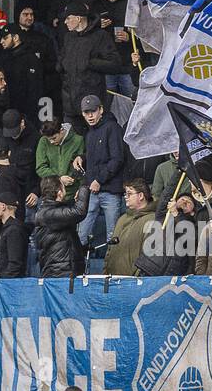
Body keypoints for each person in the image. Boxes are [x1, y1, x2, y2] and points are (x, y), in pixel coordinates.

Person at [57, 3, 126, 128]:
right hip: (70, 104)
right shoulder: (68, 37)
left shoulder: (100, 36)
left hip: (91, 103)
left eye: (68, 18)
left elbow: (115, 63)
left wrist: (90, 63)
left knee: (94, 140)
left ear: (78, 19)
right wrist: (61, 65)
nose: (65, 22)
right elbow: (61, 59)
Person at [76, 95, 126, 253]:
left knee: (113, 238)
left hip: (110, 191)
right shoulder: (89, 134)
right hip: (92, 190)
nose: (90, 115)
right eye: (86, 112)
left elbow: (117, 159)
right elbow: (94, 160)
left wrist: (99, 179)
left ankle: (113, 270)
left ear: (101, 110)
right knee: (80, 235)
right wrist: (81, 158)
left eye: (93, 111)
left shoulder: (112, 128)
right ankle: (78, 268)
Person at [35, 177, 91, 278]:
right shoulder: (47, 213)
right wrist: (84, 186)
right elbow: (79, 212)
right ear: (60, 193)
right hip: (58, 273)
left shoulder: (51, 211)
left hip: (64, 271)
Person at [0, 22, 48, 125]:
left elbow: (35, 89)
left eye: (5, 38)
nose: (1, 41)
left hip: (27, 113)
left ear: (15, 37)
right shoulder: (4, 57)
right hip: (8, 110)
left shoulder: (31, 58)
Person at [105, 179, 155, 276]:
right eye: (125, 194)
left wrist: (137, 276)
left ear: (141, 196)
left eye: (129, 194)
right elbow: (110, 250)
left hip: (134, 283)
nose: (126, 197)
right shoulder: (122, 219)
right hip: (112, 279)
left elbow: (149, 255)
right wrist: (106, 271)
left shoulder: (152, 220)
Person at [35, 119, 86, 197]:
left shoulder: (78, 140)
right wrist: (59, 179)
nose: (51, 142)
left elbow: (82, 169)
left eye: (54, 138)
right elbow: (40, 167)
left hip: (72, 193)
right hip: (51, 192)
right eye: (49, 139)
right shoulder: (43, 141)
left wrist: (80, 190)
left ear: (61, 131)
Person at [0, 196, 28, 279]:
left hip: (10, 286)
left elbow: (15, 264)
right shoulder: (9, 228)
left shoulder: (13, 230)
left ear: (3, 206)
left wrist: (3, 282)